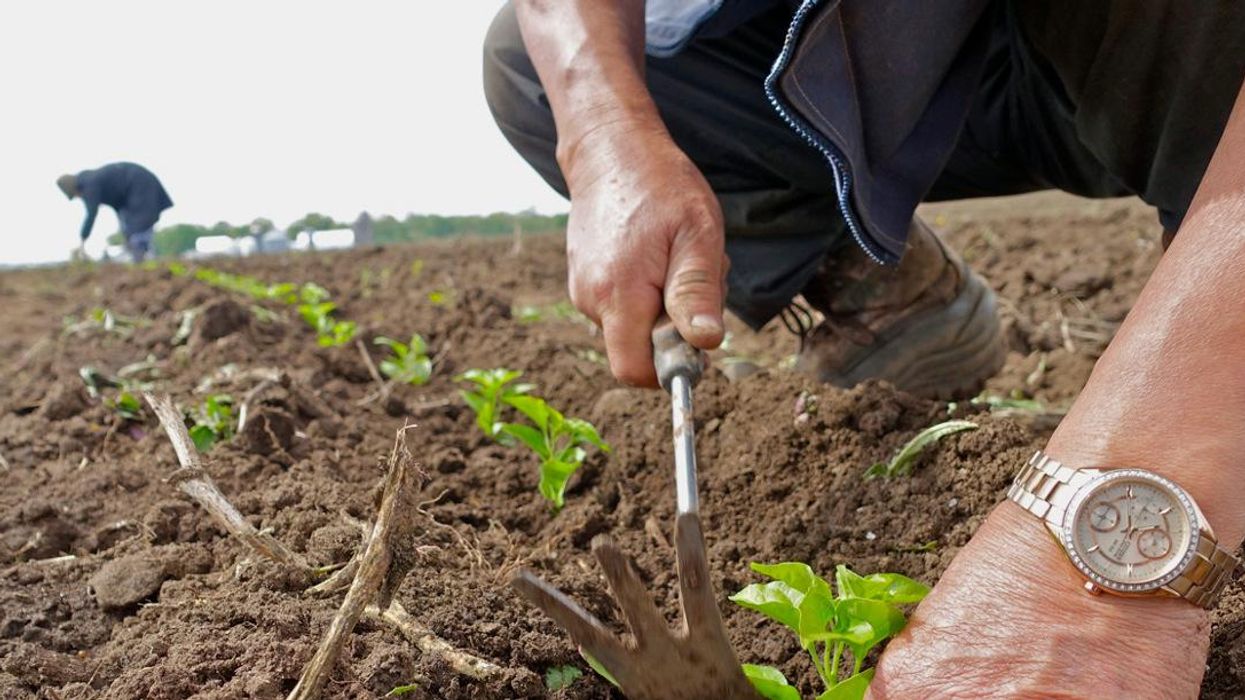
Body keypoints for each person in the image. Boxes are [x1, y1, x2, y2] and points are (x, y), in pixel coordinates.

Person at [484, 1, 1245, 696]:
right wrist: (603, 143)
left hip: (1183, 47)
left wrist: (1112, 544)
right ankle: (887, 291)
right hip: (919, 51)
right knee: (529, 64)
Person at [56, 161, 173, 263]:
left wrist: (83, 239)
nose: (78, 197)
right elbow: (119, 208)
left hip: (139, 184)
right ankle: (141, 259)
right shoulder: (89, 181)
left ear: (74, 188)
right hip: (131, 191)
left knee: (139, 226)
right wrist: (125, 232)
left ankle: (142, 259)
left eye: (75, 195)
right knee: (130, 229)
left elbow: (91, 213)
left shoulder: (89, 185)